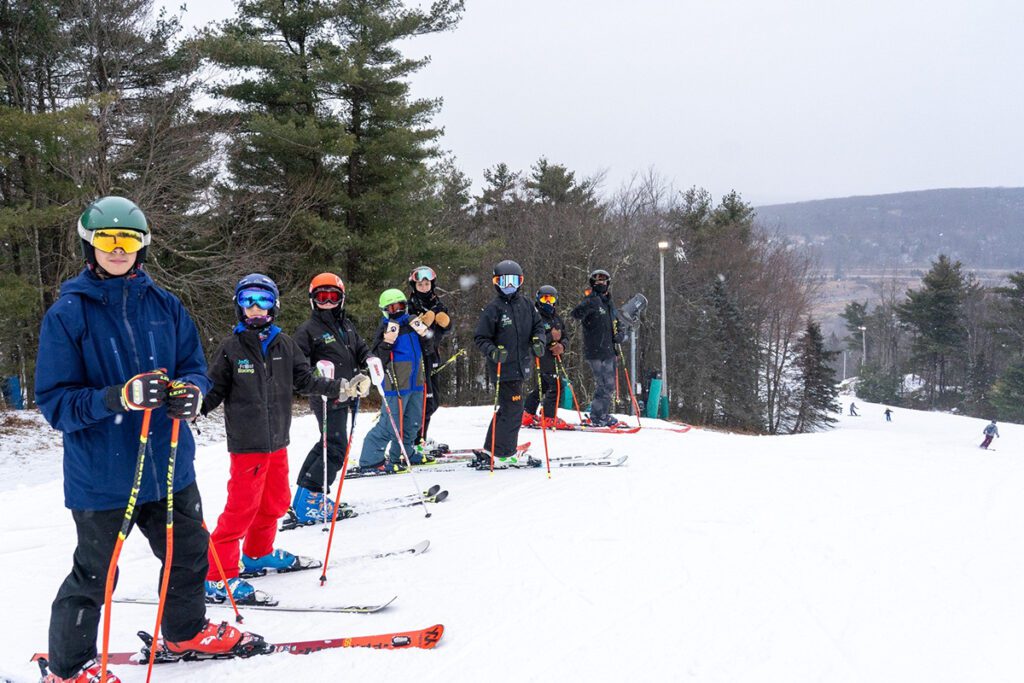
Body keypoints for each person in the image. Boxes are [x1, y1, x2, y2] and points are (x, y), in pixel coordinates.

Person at [35, 197, 262, 683]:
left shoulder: (166, 305)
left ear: (143, 248)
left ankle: (183, 631)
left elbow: (195, 370)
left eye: (129, 241)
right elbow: (56, 403)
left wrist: (194, 396)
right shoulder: (68, 314)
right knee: (97, 575)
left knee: (189, 554)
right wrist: (117, 398)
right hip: (102, 475)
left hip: (169, 462)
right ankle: (70, 667)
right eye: (108, 241)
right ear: (89, 244)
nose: (118, 250)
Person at [201, 273, 355, 605]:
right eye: (248, 301)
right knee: (240, 510)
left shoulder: (285, 344)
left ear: (275, 306)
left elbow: (304, 379)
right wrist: (193, 404)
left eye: (264, 301)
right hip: (248, 445)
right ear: (239, 307)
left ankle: (258, 554)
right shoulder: (231, 349)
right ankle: (217, 576)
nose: (256, 308)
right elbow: (211, 391)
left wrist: (339, 387)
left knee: (276, 502)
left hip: (277, 442)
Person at [287, 273, 372, 527]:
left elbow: (359, 349)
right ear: (313, 300)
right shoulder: (307, 330)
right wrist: (322, 380)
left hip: (347, 392)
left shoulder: (346, 326)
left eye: (332, 296)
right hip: (326, 395)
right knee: (335, 446)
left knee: (328, 444)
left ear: (341, 299)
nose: (327, 302)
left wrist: (369, 362)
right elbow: (297, 369)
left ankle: (305, 497)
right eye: (321, 297)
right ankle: (312, 499)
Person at [474, 260, 546, 468]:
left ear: (520, 281)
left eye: (513, 281)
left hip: (521, 365)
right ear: (496, 283)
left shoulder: (526, 306)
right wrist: (493, 351)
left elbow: (538, 327)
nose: (509, 286)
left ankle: (493, 448)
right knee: (514, 408)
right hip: (502, 367)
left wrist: (538, 341)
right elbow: (481, 338)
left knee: (508, 408)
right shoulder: (493, 309)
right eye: (504, 281)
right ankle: (504, 452)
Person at [357, 288, 430, 471]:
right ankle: (370, 460)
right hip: (395, 384)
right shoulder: (385, 328)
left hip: (415, 382)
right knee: (390, 425)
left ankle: (403, 453)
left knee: (413, 421)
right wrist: (387, 341)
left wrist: (425, 334)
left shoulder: (413, 322)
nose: (396, 310)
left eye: (400, 306)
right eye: (391, 308)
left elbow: (429, 349)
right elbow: (376, 359)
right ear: (384, 310)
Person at [571, 269, 626, 427]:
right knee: (603, 383)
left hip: (609, 350)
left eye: (603, 281)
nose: (600, 284)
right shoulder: (592, 301)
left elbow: (617, 323)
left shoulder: (609, 303)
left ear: (608, 283)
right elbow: (576, 314)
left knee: (609, 385)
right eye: (597, 281)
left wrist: (620, 334)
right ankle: (597, 416)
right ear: (593, 284)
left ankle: (601, 413)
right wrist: (587, 303)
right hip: (595, 350)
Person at [405, 265, 452, 449]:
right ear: (414, 286)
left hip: (433, 355)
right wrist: (422, 323)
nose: (424, 287)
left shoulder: (437, 302)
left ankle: (421, 437)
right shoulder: (411, 305)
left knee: (434, 400)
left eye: (426, 284)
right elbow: (408, 328)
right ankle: (416, 440)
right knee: (425, 401)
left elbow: (446, 328)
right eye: (420, 284)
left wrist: (446, 323)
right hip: (418, 357)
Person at [522, 285, 571, 430]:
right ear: (538, 299)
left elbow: (566, 336)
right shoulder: (535, 317)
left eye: (551, 298)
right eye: (545, 298)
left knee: (543, 385)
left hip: (554, 356)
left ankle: (528, 413)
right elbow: (532, 339)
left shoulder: (556, 318)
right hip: (541, 356)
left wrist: (562, 346)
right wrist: (551, 337)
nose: (548, 302)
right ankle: (549, 417)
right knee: (557, 385)